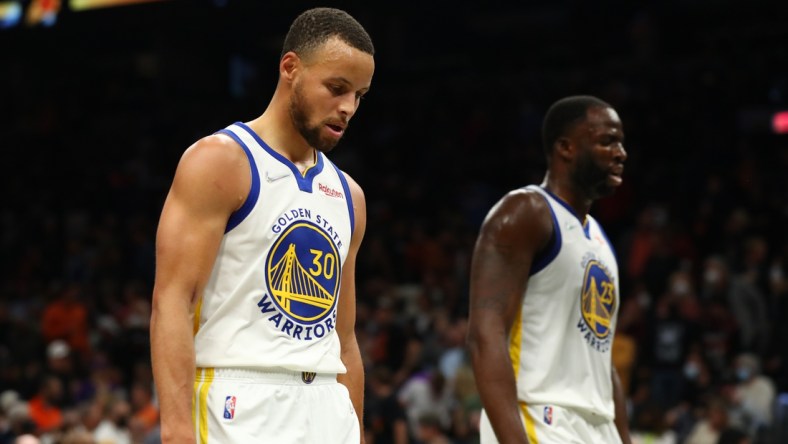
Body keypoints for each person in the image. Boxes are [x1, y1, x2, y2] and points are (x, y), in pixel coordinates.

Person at [150, 7, 374, 443]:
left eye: (360, 95)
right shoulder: (221, 161)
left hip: (328, 405)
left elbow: (344, 338)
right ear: (290, 68)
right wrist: (177, 429)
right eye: (336, 88)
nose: (347, 107)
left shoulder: (351, 196)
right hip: (238, 402)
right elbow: (171, 302)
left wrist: (355, 428)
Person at [467, 95, 632, 443]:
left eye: (621, 143)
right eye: (607, 141)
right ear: (566, 148)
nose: (620, 153)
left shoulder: (599, 237)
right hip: (540, 417)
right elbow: (486, 334)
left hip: (598, 425)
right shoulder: (526, 212)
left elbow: (602, 360)